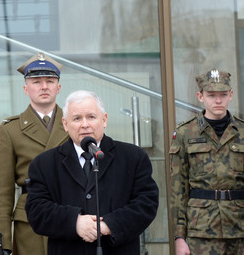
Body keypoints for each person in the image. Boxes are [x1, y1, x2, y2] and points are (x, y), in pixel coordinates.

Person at [25, 90, 159, 255]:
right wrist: (74, 222)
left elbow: (146, 204)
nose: (85, 124)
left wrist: (107, 226)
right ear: (65, 124)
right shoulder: (44, 164)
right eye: (77, 118)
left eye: (91, 117)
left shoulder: (133, 157)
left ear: (104, 120)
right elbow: (37, 211)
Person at [0, 53, 69, 255]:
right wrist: (2, 243)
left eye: (50, 81)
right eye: (36, 82)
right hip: (31, 221)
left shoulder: (75, 124)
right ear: (26, 89)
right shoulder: (10, 129)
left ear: (58, 88)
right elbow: (2, 192)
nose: (44, 87)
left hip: (71, 216)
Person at [169, 69, 244, 255]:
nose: (218, 101)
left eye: (223, 95)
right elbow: (178, 190)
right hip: (201, 231)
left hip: (240, 227)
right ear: (200, 96)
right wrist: (179, 237)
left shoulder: (242, 132)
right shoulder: (185, 133)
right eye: (211, 95)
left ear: (231, 95)